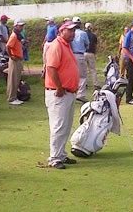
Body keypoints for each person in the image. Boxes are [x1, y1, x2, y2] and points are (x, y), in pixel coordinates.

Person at [45, 21, 80, 169]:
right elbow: (51, 68)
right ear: (61, 31)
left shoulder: (66, 45)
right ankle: (54, 158)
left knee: (65, 126)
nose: (72, 33)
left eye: (74, 31)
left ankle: (61, 154)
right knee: (58, 126)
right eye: (70, 31)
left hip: (68, 92)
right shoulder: (57, 45)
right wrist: (59, 87)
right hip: (59, 92)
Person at [6, 18, 26, 105]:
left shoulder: (18, 35)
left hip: (18, 59)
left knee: (16, 79)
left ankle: (14, 97)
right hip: (15, 59)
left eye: (22, 26)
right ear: (16, 26)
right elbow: (8, 46)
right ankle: (11, 98)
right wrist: (11, 56)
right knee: (13, 79)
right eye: (20, 26)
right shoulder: (14, 35)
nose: (22, 27)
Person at [70, 16, 89, 102]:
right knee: (83, 76)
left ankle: (73, 92)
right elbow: (87, 44)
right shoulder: (83, 33)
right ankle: (80, 94)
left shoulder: (70, 33)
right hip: (80, 55)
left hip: (71, 55)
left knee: (73, 74)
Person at [84, 23, 98, 90]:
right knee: (93, 69)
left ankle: (85, 84)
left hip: (84, 52)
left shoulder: (83, 34)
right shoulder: (93, 35)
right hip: (91, 53)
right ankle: (95, 84)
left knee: (85, 69)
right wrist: (95, 53)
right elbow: (95, 45)